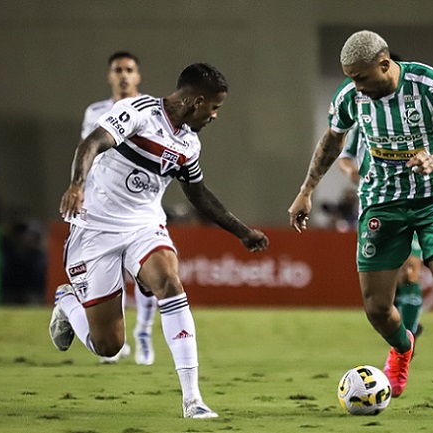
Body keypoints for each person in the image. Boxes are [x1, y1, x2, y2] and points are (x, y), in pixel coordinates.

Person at [50, 63, 269, 419]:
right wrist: (77, 184)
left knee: (169, 282)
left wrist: (241, 231)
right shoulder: (137, 113)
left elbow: (199, 196)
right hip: (96, 228)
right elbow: (91, 143)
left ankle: (193, 399)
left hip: (144, 225)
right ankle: (68, 302)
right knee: (108, 346)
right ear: (197, 101)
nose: (215, 115)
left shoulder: (188, 143)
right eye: (214, 107)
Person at [288, 30, 433, 418]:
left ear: (385, 63)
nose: (355, 85)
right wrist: (306, 191)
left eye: (360, 77)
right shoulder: (349, 96)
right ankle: (403, 346)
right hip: (382, 202)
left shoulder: (429, 84)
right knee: (377, 308)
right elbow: (331, 143)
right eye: (350, 78)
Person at [79, 51, 156, 365]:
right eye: (118, 70)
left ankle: (144, 333)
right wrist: (80, 189)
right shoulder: (95, 112)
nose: (124, 75)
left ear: (138, 76)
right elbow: (88, 151)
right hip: (103, 206)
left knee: (150, 273)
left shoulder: (149, 109)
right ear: (109, 76)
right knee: (110, 274)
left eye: (129, 70)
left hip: (140, 203)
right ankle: (117, 337)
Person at [337, 127, 424, 337]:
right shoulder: (363, 124)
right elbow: (344, 157)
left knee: (410, 272)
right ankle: (401, 329)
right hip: (376, 206)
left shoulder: (412, 117)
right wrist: (352, 172)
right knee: (382, 287)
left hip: (413, 202)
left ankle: (409, 337)